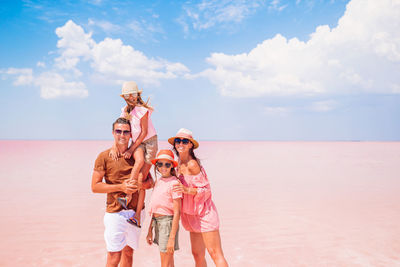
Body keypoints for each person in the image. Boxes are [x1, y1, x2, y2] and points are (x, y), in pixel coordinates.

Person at [91, 117, 154, 267]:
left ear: (131, 135)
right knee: (113, 255)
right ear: (113, 133)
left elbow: (151, 182)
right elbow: (95, 186)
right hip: (115, 212)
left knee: (128, 253)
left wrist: (142, 185)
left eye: (126, 132)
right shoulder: (104, 156)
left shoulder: (138, 156)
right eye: (118, 131)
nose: (122, 135)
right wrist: (121, 187)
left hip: (136, 213)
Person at [169, 128, 229, 267]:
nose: (180, 144)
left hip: (204, 213)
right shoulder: (178, 163)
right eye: (178, 141)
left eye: (185, 141)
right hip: (191, 215)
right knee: (197, 254)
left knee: (215, 253)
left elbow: (206, 190)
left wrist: (186, 189)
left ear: (191, 144)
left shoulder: (192, 164)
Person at [110, 81, 158, 228]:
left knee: (140, 178)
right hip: (138, 142)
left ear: (138, 94)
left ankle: (136, 214)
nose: (131, 97)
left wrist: (131, 149)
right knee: (136, 170)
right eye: (128, 95)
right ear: (124, 97)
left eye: (134, 94)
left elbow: (143, 132)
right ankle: (127, 197)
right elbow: (119, 125)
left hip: (149, 143)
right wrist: (114, 147)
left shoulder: (142, 110)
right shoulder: (125, 110)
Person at [146, 150, 182, 267]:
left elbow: (177, 212)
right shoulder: (159, 181)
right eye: (160, 164)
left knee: (165, 263)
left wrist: (172, 238)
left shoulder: (174, 183)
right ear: (157, 166)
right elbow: (154, 207)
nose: (163, 167)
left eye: (167, 164)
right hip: (157, 222)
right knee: (169, 262)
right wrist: (149, 230)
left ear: (172, 165)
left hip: (167, 224)